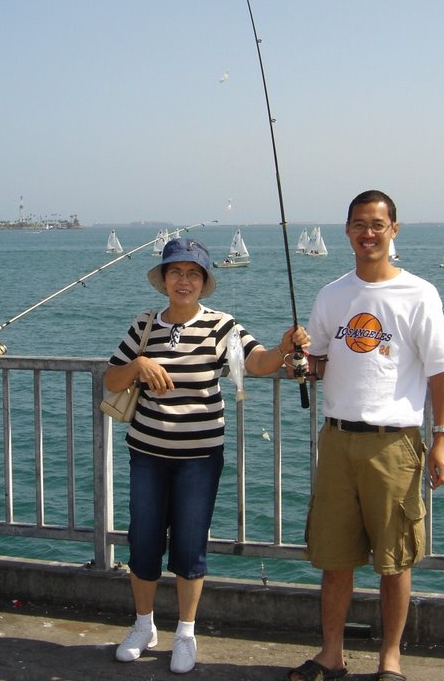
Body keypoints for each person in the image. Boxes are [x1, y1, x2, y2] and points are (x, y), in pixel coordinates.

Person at [106, 237, 309, 675]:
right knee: (141, 541)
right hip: (146, 453)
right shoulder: (144, 324)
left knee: (190, 545)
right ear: (163, 280)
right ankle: (143, 625)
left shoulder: (222, 326)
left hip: (200, 457)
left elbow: (256, 363)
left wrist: (285, 346)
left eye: (193, 273)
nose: (184, 281)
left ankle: (185, 632)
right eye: (175, 272)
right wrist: (139, 365)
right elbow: (112, 377)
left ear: (204, 281)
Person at [288, 190, 444, 681]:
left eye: (377, 225)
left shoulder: (420, 293)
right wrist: (299, 355)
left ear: (394, 230)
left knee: (395, 559)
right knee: (335, 558)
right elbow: (317, 363)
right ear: (347, 231)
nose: (368, 233)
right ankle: (331, 656)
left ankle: (390, 660)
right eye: (359, 224)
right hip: (337, 439)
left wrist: (441, 441)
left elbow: (441, 373)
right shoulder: (331, 294)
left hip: (396, 442)